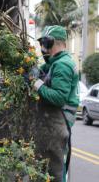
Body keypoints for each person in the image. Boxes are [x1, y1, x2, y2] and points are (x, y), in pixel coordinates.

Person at [32, 25, 79, 182]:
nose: (43, 49)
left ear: (55, 43)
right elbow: (41, 71)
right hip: (52, 123)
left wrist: (36, 84)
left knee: (53, 172)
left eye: (45, 44)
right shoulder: (54, 63)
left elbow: (59, 98)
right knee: (44, 168)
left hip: (58, 123)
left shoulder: (62, 65)